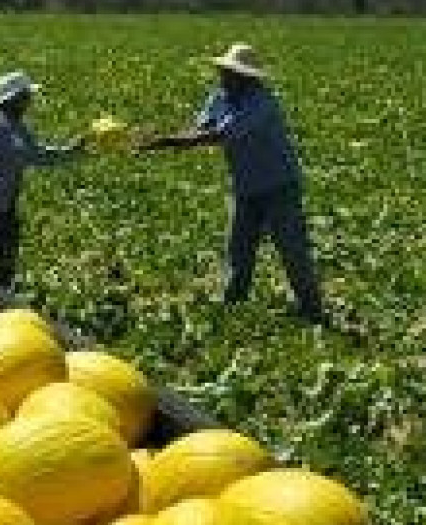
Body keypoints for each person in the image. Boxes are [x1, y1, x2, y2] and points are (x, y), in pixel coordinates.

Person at [135, 42, 327, 324]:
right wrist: (163, 136)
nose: (223, 76)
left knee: (291, 248)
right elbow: (203, 128)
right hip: (247, 186)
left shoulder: (261, 102)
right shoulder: (220, 96)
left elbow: (220, 135)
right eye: (223, 71)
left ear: (246, 77)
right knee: (238, 249)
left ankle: (312, 310)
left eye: (229, 72)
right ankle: (233, 306)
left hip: (278, 185)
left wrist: (166, 142)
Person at [0, 70, 87, 290]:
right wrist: (73, 152)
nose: (29, 101)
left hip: (2, 206)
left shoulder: (15, 123)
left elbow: (37, 151)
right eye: (25, 96)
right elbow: (31, 157)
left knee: (2, 267)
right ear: (12, 98)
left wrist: (73, 150)